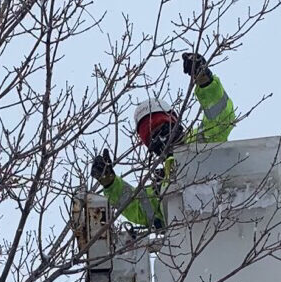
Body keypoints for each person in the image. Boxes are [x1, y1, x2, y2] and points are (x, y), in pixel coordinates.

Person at [91, 53, 236, 228]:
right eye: (151, 137)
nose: (160, 138)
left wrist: (205, 82)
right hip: (192, 247)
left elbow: (221, 118)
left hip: (230, 223)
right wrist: (111, 184)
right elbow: (139, 209)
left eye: (162, 128)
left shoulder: (202, 142)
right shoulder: (161, 187)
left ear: (175, 122)